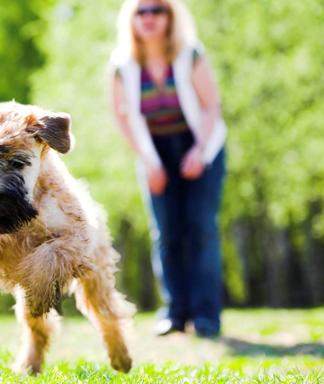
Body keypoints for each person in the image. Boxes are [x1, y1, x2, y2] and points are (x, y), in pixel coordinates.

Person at [110, 0, 226, 337]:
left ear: (170, 17)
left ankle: (206, 316)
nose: (148, 17)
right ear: (131, 19)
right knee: (166, 232)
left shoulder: (191, 54)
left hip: (201, 145)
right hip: (154, 153)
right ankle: (174, 312)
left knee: (201, 230)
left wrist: (200, 152)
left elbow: (211, 106)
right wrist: (149, 162)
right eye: (141, 11)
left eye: (156, 10)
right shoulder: (122, 64)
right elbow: (123, 118)